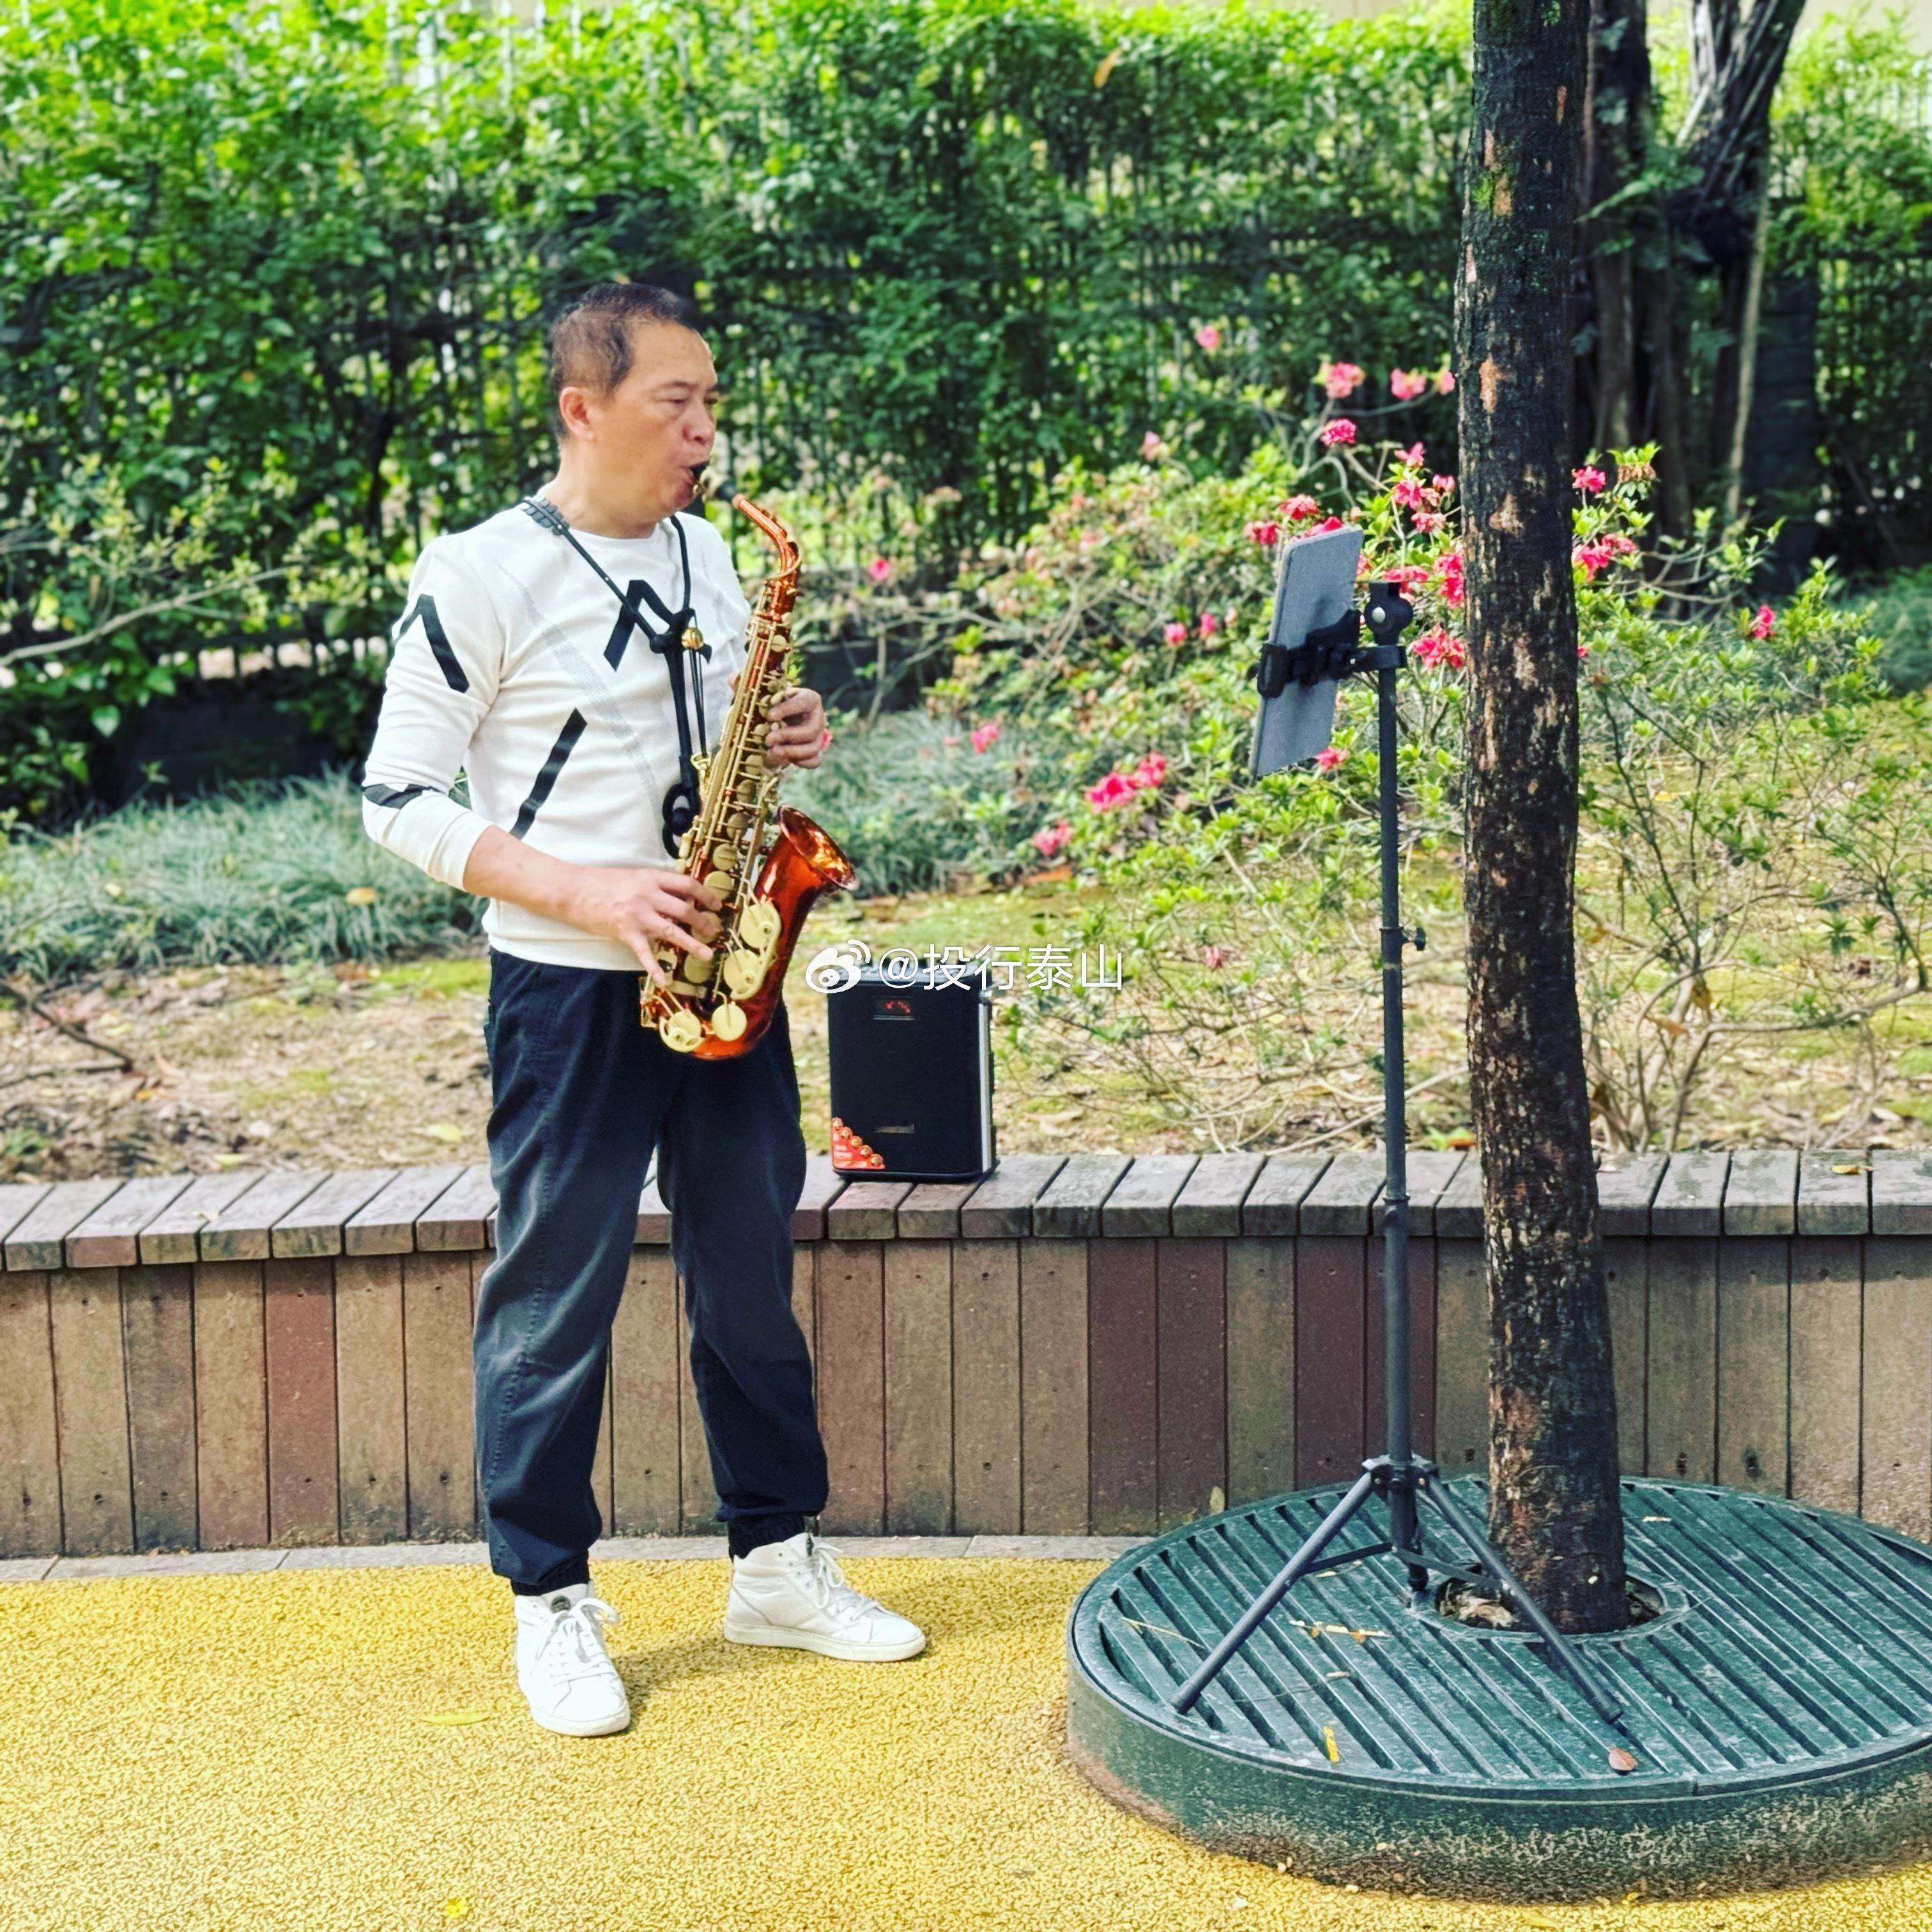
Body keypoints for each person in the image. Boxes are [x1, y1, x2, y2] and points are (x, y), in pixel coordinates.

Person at [360, 281, 924, 1738]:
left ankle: (776, 1564)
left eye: (710, 402)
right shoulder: (479, 572)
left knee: (749, 1281)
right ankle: (548, 1598)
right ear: (583, 408)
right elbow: (395, 798)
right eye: (678, 402)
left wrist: (787, 728)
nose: (704, 430)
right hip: (568, 990)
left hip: (727, 968)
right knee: (555, 1296)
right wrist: (589, 892)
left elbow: (721, 730)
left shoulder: (707, 556)